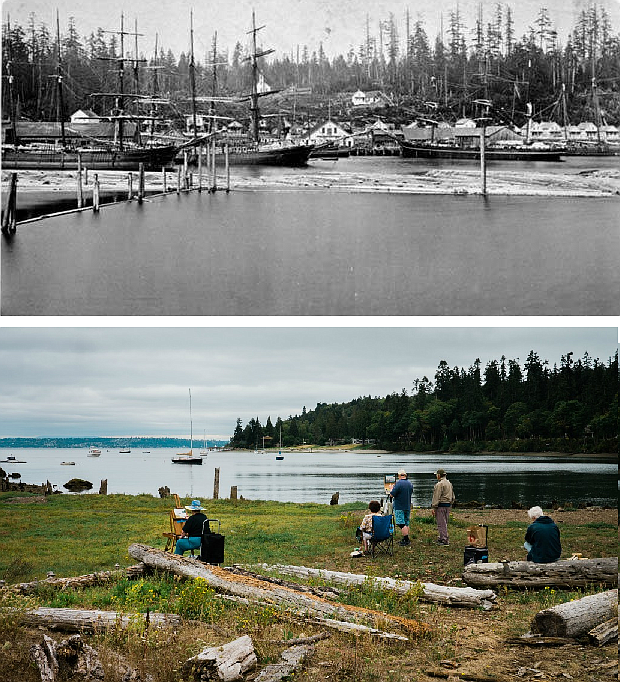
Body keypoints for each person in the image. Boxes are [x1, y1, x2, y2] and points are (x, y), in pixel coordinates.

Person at [431, 468, 455, 546]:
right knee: (445, 522)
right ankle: (442, 537)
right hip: (448, 505)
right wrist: (450, 504)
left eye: (436, 475)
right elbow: (453, 496)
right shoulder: (449, 483)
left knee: (441, 523)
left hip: (441, 505)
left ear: (439, 475)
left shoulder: (439, 484)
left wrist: (434, 507)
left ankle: (444, 540)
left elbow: (436, 496)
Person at [390, 469, 413, 546]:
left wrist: (391, 489)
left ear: (399, 475)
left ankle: (406, 539)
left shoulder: (398, 483)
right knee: (406, 523)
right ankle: (405, 537)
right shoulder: (410, 483)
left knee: (401, 523)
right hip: (407, 506)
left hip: (399, 506)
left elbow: (392, 494)